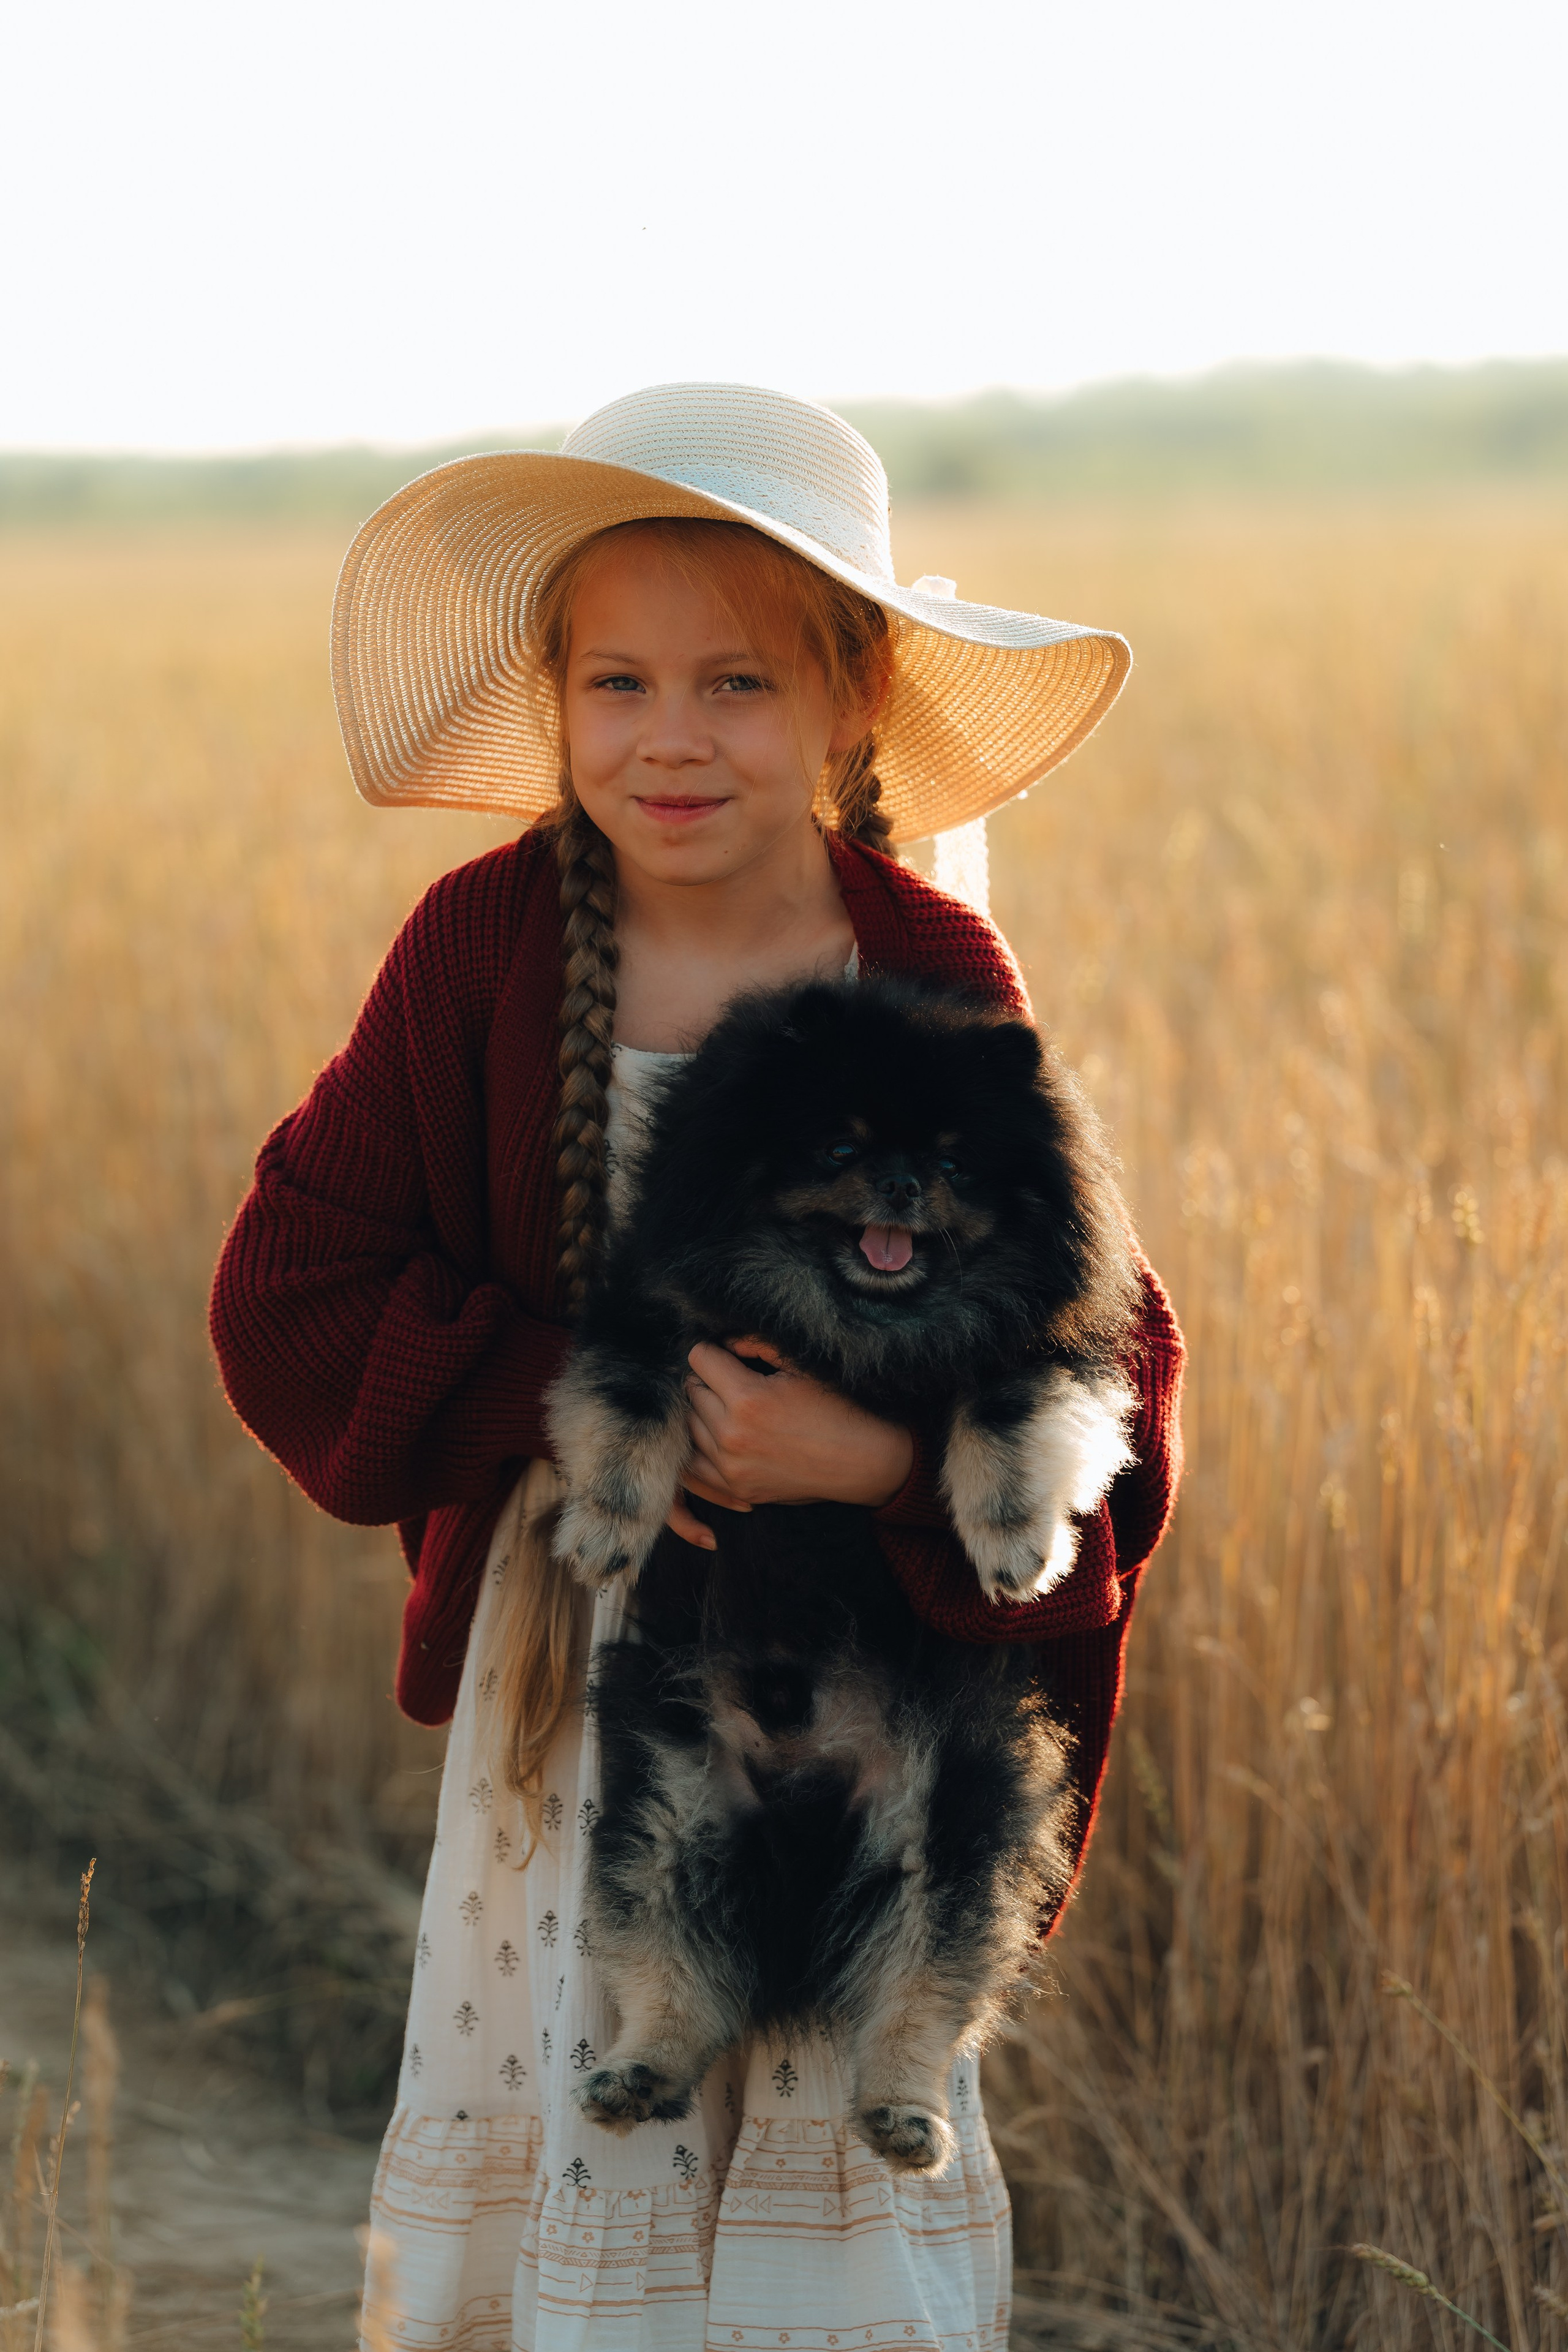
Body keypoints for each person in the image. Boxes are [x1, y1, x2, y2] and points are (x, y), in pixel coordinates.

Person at [210, 382, 1185, 2352]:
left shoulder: (924, 968)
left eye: (736, 684)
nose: (670, 738)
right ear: (555, 699)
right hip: (579, 1698)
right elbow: (290, 1286)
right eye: (619, 682)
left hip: (868, 1699)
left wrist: (885, 1468)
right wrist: (605, 1408)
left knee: (820, 2156)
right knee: (607, 2124)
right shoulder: (483, 951)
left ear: (847, 707)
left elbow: (1112, 1351)